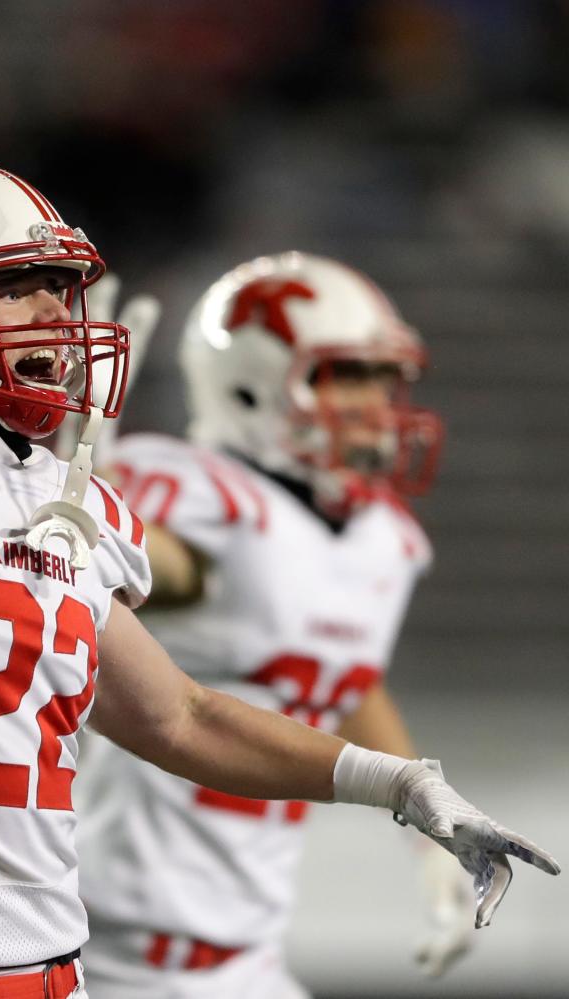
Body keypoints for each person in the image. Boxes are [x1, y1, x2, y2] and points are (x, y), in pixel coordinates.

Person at [0, 29, 559, 999]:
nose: (55, 318)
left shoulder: (50, 495)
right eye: (15, 289)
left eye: (56, 289)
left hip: (61, 980)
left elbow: (183, 715)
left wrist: (401, 787)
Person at [75, 253, 483, 998]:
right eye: (346, 375)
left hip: (249, 961)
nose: (377, 402)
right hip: (106, 963)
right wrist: (92, 514)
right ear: (249, 386)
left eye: (381, 377)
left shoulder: (379, 538)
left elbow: (345, 674)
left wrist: (432, 837)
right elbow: (166, 568)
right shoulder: (206, 500)